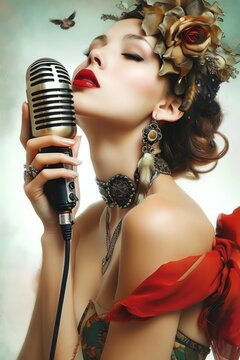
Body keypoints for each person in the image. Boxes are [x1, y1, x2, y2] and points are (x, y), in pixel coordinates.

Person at [18, 1, 240, 359]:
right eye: (91, 50)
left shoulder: (162, 223)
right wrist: (53, 233)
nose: (96, 57)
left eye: (132, 55)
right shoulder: (89, 222)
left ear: (169, 106)